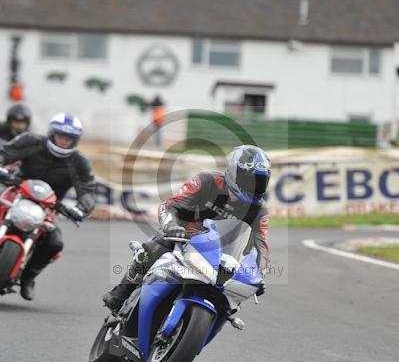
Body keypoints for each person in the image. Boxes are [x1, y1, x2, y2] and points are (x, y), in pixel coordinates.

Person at [103, 145, 271, 312]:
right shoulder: (206, 181)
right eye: (249, 180)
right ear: (234, 172)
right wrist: (171, 227)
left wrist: (258, 275)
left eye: (260, 182)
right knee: (155, 246)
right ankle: (122, 291)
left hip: (222, 256)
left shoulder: (259, 209)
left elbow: (262, 246)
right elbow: (169, 206)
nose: (253, 186)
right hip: (184, 239)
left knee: (231, 303)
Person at [0, 113, 96, 300]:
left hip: (48, 206)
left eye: (69, 138)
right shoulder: (31, 141)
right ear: (52, 134)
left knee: (54, 242)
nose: (63, 141)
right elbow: (5, 151)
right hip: (16, 191)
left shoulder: (79, 162)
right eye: (60, 136)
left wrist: (82, 208)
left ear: (75, 140)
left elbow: (87, 190)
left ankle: (28, 277)